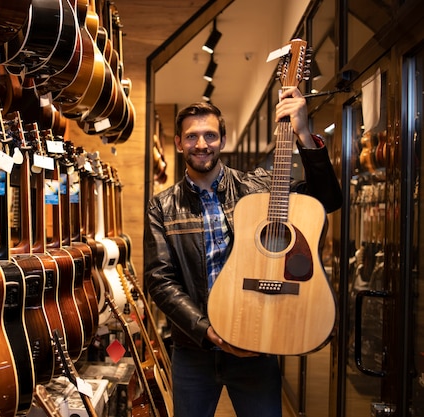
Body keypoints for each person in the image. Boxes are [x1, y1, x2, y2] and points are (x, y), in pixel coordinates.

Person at [143, 87, 342, 417]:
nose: (202, 144)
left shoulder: (260, 188)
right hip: (194, 352)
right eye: (192, 137)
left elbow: (327, 200)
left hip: (256, 344)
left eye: (210, 135)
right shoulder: (161, 207)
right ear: (179, 143)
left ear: (222, 139)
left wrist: (304, 133)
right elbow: (159, 281)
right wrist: (208, 331)